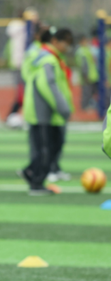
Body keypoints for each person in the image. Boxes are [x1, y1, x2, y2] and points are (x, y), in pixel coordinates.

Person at [21, 28, 74, 196]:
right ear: (56, 41)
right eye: (66, 43)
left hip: (47, 112)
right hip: (42, 111)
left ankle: (30, 172)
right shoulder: (48, 60)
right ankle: (36, 183)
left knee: (53, 145)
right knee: (45, 148)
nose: (68, 47)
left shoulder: (51, 58)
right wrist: (63, 108)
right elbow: (48, 85)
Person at [75, 35, 99, 111]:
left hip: (92, 75)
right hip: (87, 76)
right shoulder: (82, 51)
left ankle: (89, 105)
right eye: (85, 40)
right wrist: (85, 75)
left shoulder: (86, 49)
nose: (87, 42)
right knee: (86, 92)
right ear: (81, 41)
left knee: (91, 92)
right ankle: (84, 107)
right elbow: (83, 65)